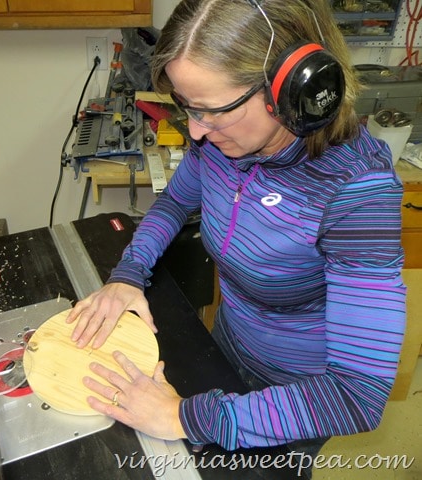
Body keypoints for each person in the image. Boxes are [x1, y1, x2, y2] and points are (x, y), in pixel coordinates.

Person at [66, 0, 406, 476]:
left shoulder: (357, 193)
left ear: (291, 90)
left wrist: (181, 416)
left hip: (298, 393)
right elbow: (173, 203)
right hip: (225, 343)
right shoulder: (223, 145)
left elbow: (356, 395)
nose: (198, 133)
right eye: (188, 109)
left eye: (210, 111)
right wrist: (128, 274)